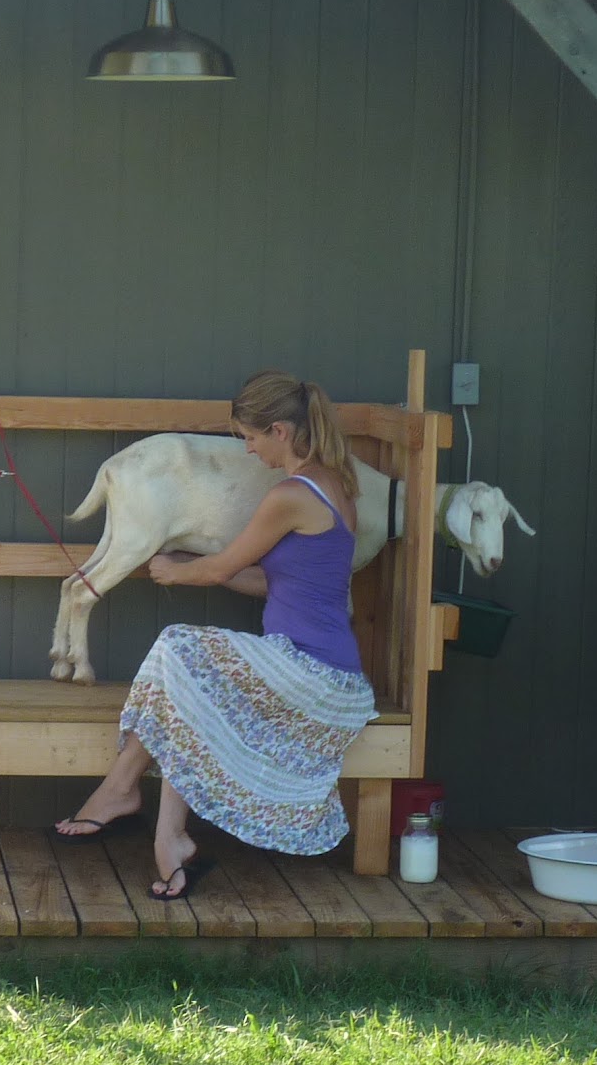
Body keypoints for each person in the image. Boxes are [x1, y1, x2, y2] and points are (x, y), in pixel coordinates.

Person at [55, 371, 377, 899]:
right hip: (314, 666)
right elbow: (275, 581)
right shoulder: (333, 483)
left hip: (316, 674)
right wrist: (188, 562)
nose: (248, 450)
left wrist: (177, 570)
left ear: (279, 430)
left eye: (250, 438)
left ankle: (119, 789)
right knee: (194, 689)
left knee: (178, 646)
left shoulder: (293, 495)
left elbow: (220, 569)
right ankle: (169, 840)